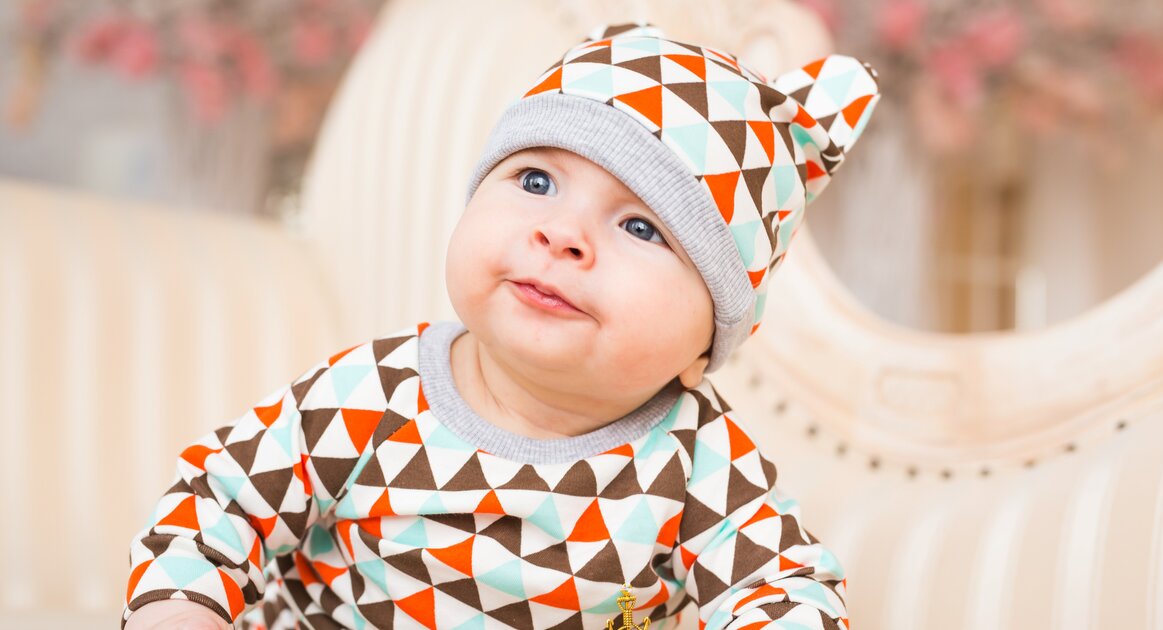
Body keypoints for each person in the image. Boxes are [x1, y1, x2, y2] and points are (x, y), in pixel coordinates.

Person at [122, 22, 880, 629]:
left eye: (642, 227)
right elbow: (218, 502)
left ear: (704, 345)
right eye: (536, 180)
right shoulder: (371, 397)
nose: (562, 234)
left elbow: (784, 585)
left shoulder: (696, 459)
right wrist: (182, 608)